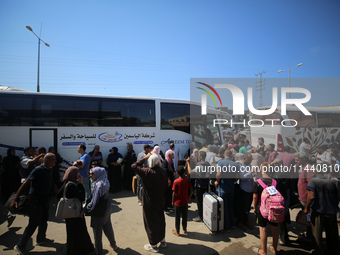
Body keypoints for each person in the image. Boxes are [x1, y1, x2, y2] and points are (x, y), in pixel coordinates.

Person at [10, 153, 56, 254]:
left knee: (44, 219)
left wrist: (55, 189)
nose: (55, 161)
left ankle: (41, 239)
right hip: (35, 200)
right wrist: (15, 199)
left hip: (45, 199)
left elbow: (49, 180)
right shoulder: (38, 169)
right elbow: (26, 183)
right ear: (47, 160)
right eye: (53, 159)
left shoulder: (50, 169)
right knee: (33, 223)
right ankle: (20, 245)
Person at [131, 154, 168, 253]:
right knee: (160, 220)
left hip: (149, 202)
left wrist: (144, 158)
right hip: (160, 200)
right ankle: (162, 241)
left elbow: (133, 166)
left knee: (150, 222)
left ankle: (154, 245)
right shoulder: (163, 172)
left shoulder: (147, 172)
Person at [57, 166, 94, 255]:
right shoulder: (74, 185)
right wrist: (80, 184)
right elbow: (81, 198)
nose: (79, 174)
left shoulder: (65, 183)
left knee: (71, 233)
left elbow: (58, 195)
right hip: (76, 213)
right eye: (77, 172)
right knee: (79, 232)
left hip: (68, 214)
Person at [83, 166, 118, 255]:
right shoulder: (105, 181)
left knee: (97, 234)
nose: (90, 176)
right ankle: (113, 244)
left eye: (92, 174)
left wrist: (85, 210)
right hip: (106, 209)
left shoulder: (98, 185)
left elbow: (94, 202)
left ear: (98, 174)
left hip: (98, 212)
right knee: (108, 227)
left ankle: (98, 252)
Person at [304, 170, 340, 255]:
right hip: (332, 211)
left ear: (316, 171)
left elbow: (311, 197)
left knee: (317, 234)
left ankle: (318, 251)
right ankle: (333, 251)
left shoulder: (313, 181)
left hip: (318, 211)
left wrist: (306, 208)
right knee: (332, 234)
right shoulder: (335, 181)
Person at [252, 162, 281, 255]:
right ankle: (274, 248)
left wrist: (254, 207)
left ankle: (263, 251)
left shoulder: (258, 182)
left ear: (261, 169)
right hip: (274, 208)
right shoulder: (275, 182)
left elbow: (255, 197)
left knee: (263, 229)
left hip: (262, 209)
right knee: (275, 228)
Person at [215, 150, 239, 232]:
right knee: (230, 206)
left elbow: (218, 174)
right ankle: (232, 224)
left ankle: (226, 225)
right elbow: (236, 177)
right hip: (231, 188)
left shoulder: (220, 163)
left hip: (223, 188)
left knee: (224, 207)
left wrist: (217, 182)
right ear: (231, 155)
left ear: (224, 154)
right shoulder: (235, 164)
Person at [186, 151, 210, 222]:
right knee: (204, 201)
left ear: (201, 157)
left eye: (199, 156)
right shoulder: (207, 164)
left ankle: (200, 216)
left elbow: (190, 172)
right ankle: (204, 214)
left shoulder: (199, 166)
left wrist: (188, 163)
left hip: (199, 186)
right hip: (205, 184)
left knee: (199, 202)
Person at [172, 166, 193, 236]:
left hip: (178, 202)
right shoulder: (187, 180)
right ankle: (184, 229)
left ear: (177, 173)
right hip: (185, 201)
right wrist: (189, 197)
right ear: (184, 172)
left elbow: (174, 193)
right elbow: (191, 190)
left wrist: (172, 201)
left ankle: (177, 231)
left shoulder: (176, 181)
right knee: (185, 216)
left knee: (177, 217)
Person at [235, 152, 254, 230]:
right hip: (242, 189)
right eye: (249, 159)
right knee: (241, 207)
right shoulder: (239, 165)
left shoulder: (250, 165)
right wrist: (251, 172)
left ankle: (246, 220)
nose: (250, 161)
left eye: (251, 159)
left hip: (250, 189)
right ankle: (240, 222)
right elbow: (241, 178)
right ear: (244, 158)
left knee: (248, 206)